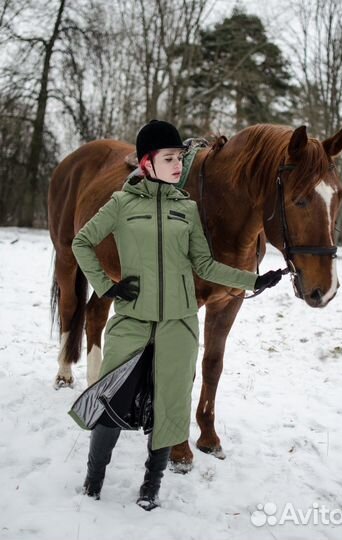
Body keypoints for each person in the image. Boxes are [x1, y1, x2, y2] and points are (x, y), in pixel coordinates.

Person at [69, 119, 282, 511]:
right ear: (147, 163)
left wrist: (253, 280)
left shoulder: (188, 209)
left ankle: (152, 485)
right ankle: (94, 477)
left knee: (170, 406)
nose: (178, 165)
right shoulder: (120, 203)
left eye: (180, 158)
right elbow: (82, 242)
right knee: (112, 400)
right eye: (169, 158)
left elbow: (205, 263)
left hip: (180, 322)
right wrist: (106, 286)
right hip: (133, 318)